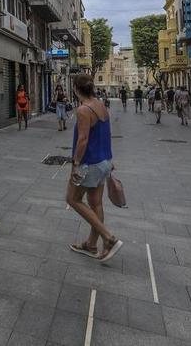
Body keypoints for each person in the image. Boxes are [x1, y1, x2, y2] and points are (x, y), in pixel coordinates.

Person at [67, 74, 123, 262]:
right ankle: (91, 244)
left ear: (75, 88)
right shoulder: (100, 105)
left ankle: (108, 238)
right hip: (103, 161)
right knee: (95, 203)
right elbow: (106, 133)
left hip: (89, 163)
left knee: (73, 199)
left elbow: (83, 140)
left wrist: (75, 163)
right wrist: (108, 157)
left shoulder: (83, 110)